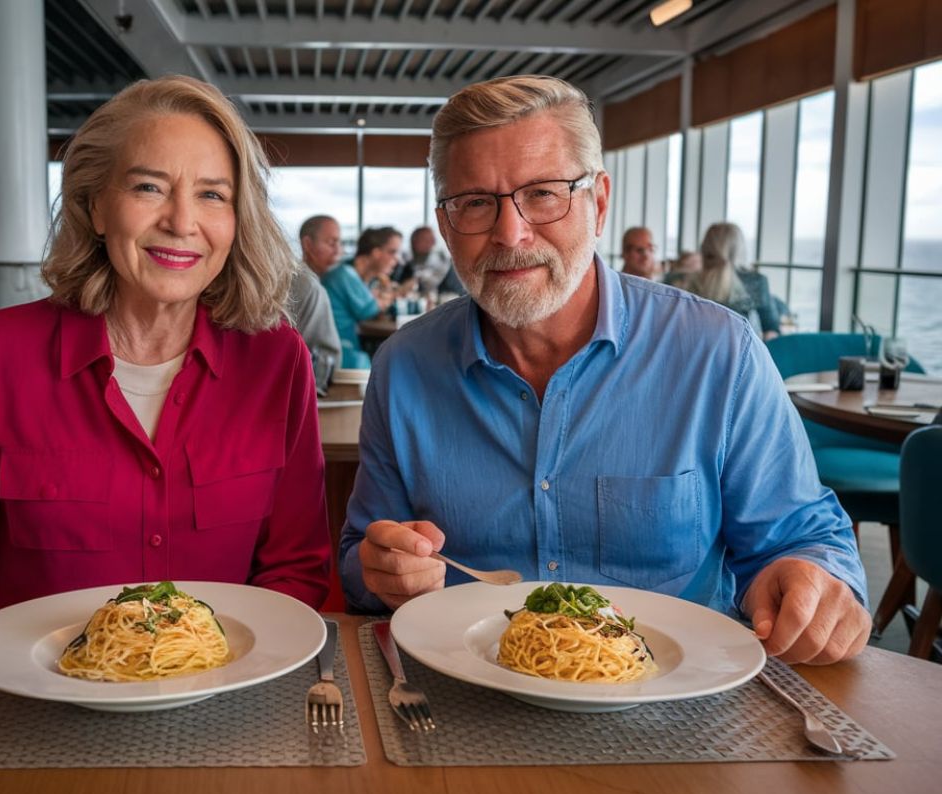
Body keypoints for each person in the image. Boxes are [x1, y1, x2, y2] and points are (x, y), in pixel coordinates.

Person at [339, 75, 869, 666]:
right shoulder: (404, 368)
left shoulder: (718, 353)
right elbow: (362, 554)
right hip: (460, 700)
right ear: (445, 223)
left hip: (680, 708)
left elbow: (803, 535)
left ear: (599, 202)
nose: (511, 234)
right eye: (475, 203)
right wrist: (381, 570)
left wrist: (813, 578)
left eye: (543, 193)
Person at [0, 76, 332, 656]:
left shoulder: (276, 359)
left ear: (238, 219)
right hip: (32, 701)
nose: (182, 221)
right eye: (149, 187)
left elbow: (295, 568)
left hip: (223, 694)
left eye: (213, 195)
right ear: (94, 205)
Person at [668, 222, 781, 340]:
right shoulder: (756, 282)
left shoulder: (679, 282)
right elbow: (771, 329)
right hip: (741, 355)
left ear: (704, 248)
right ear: (739, 249)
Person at [322, 226, 399, 368]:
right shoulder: (345, 274)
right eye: (392, 252)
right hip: (340, 354)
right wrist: (387, 297)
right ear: (376, 253)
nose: (397, 259)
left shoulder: (352, 274)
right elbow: (369, 310)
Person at [288, 215, 342, 374]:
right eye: (331, 243)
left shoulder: (302, 277)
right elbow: (326, 362)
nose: (338, 250)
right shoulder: (309, 286)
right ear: (307, 244)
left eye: (340, 243)